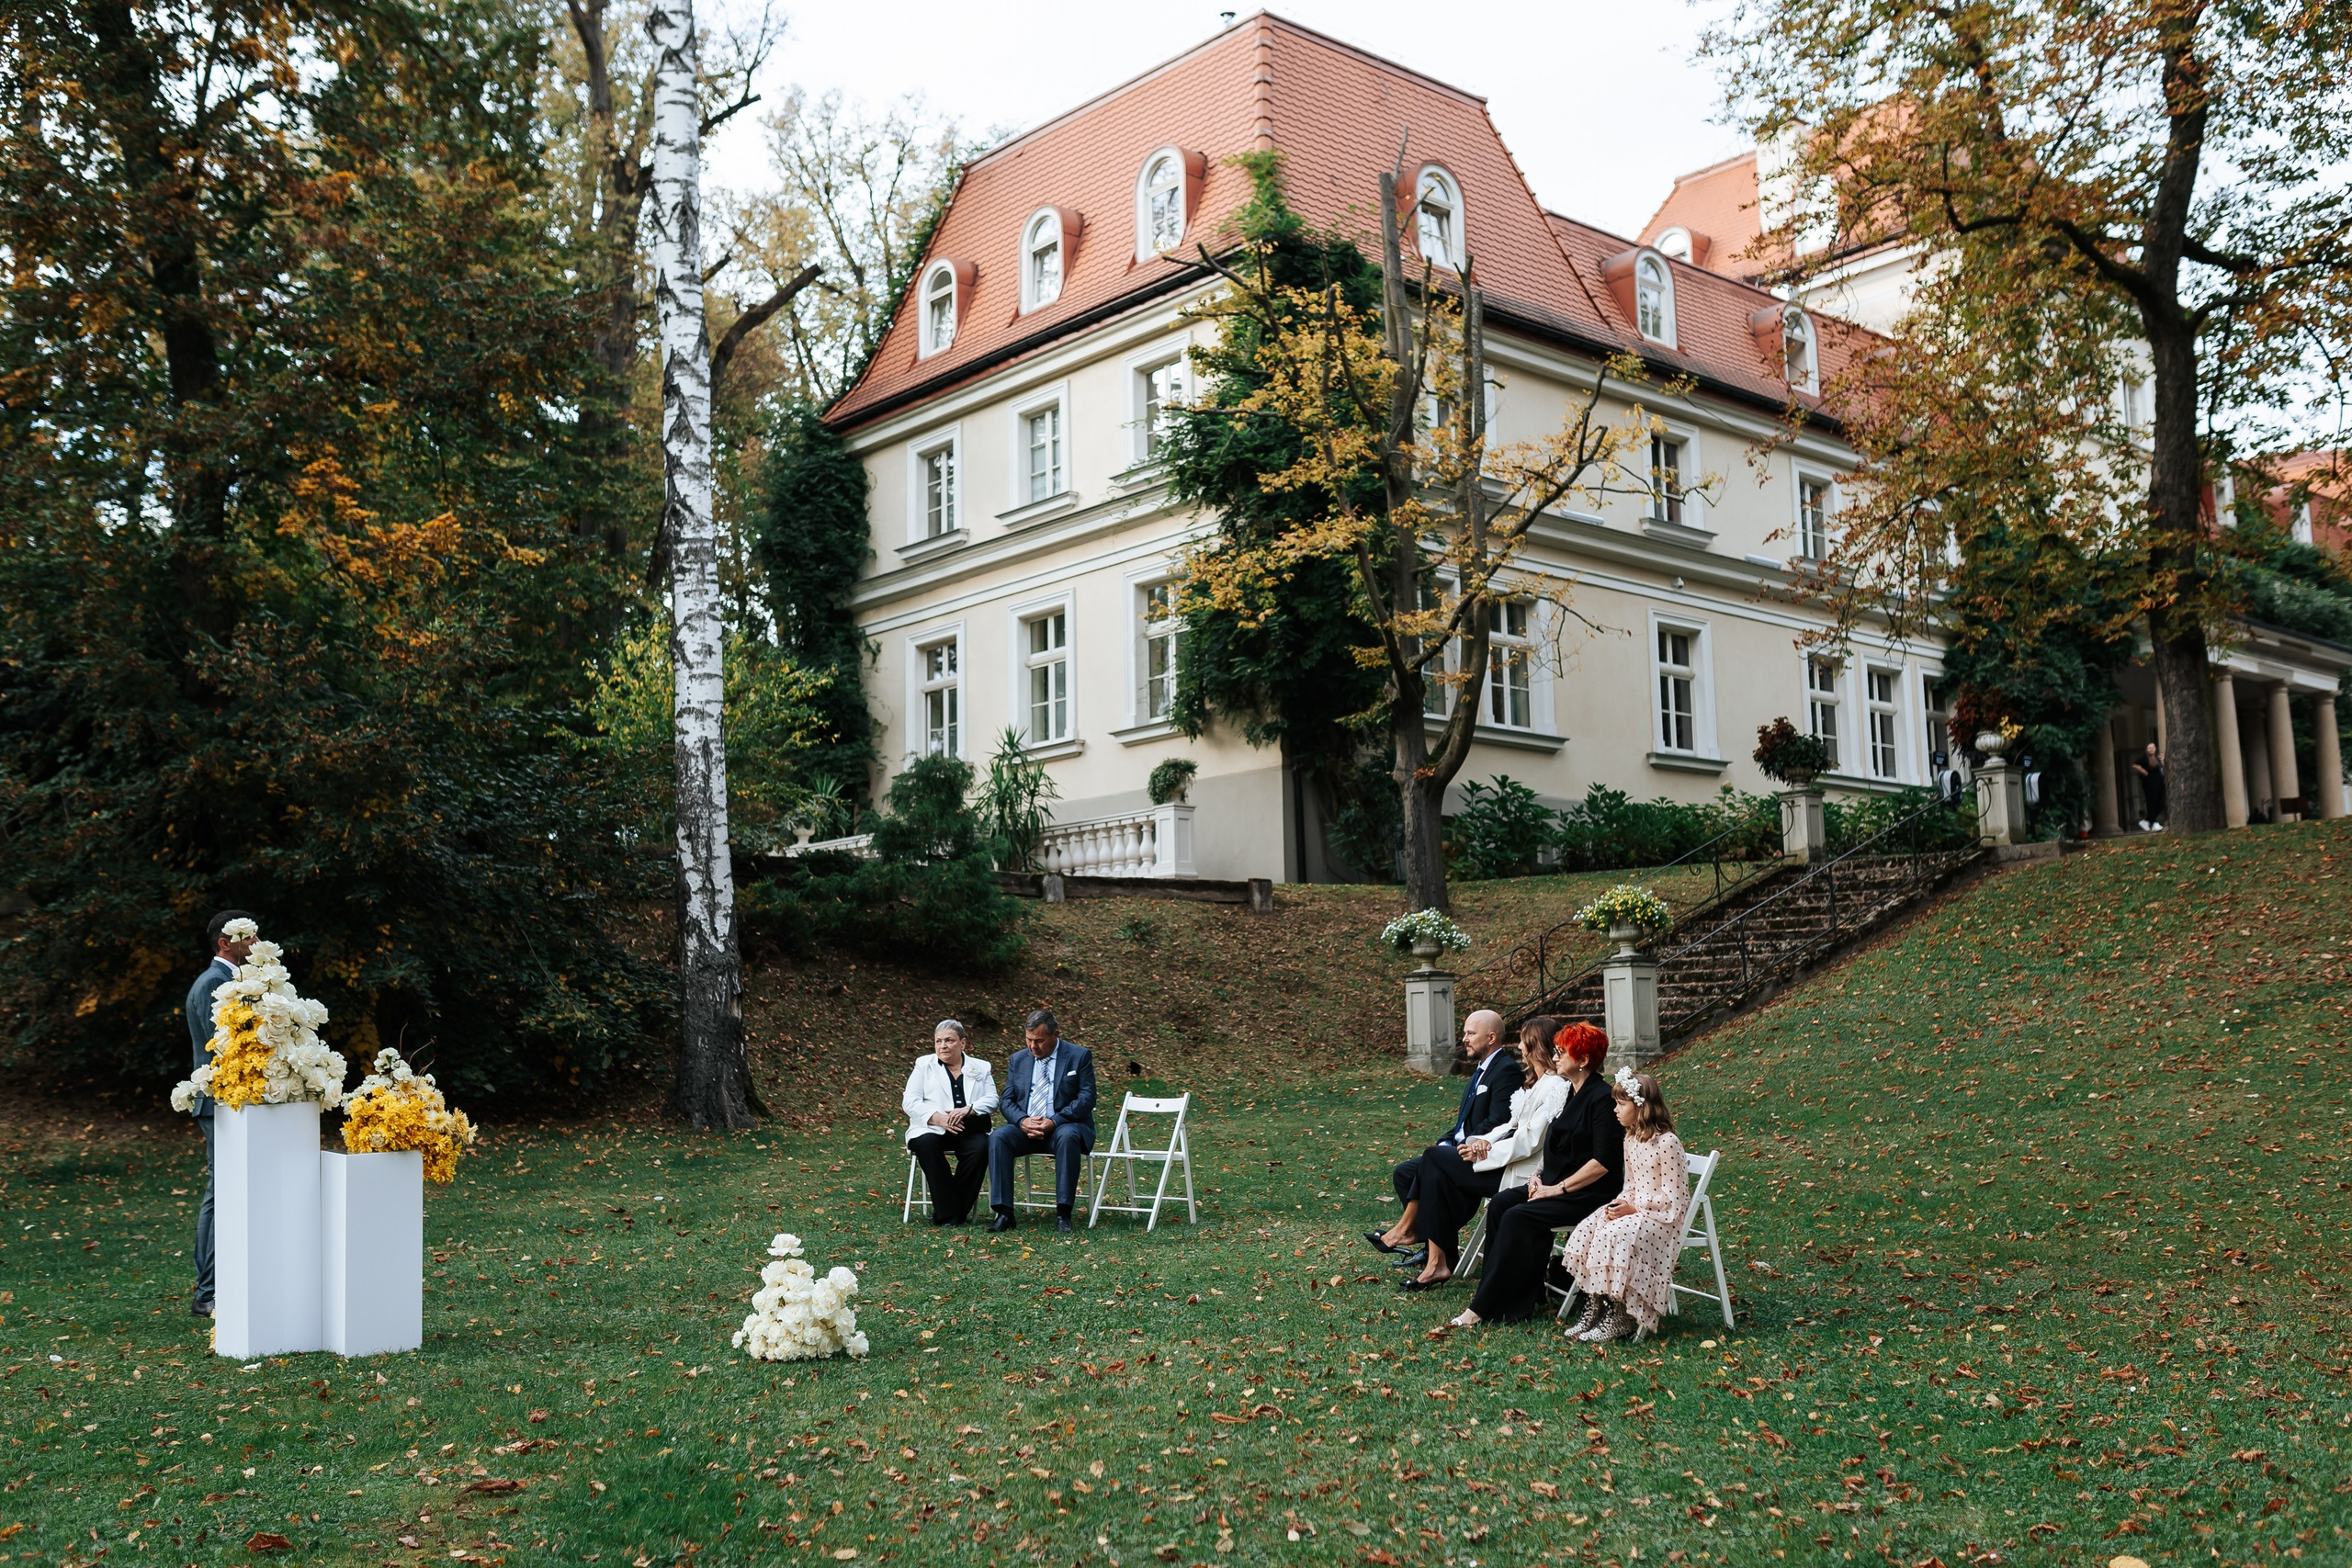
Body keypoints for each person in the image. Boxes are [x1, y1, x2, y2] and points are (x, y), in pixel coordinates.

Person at [1446, 1021, 1623, 1328]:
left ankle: (1484, 1307)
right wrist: (1538, 1176)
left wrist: (1556, 1190)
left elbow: (1603, 1163)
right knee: (1502, 1204)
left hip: (1589, 1193)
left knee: (1518, 1215)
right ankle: (1513, 1296)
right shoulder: (1569, 1094)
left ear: (1582, 1061)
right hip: (1554, 1184)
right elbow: (1552, 1147)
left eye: (1563, 1053)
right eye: (1555, 1052)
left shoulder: (1602, 1099)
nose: (1555, 1058)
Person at [1396, 1015, 1568, 1292]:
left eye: (1524, 1042)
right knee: (1435, 1170)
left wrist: (1485, 1155)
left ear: (1536, 1046)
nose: (1520, 1048)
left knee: (1433, 1159)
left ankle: (1422, 1243)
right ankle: (1435, 1258)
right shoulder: (1537, 1082)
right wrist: (1480, 1142)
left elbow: (1529, 1141)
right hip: (1502, 1161)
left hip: (1520, 1173)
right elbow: (1509, 1126)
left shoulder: (1556, 1086)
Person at [1363, 1009, 1519, 1279]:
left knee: (1432, 1163)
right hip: (1460, 1149)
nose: (1465, 1038)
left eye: (1471, 1033)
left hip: (1483, 1157)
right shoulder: (1481, 1071)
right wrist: (1447, 1140)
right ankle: (1431, 1245)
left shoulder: (1506, 1071)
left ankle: (1414, 1237)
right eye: (1465, 1033)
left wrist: (1457, 1146)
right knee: (1405, 1172)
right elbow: (1464, 1123)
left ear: (1491, 1037)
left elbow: (1499, 1122)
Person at [1557, 1069, 1690, 1343]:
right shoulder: (1630, 1140)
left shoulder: (1667, 1143)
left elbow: (1675, 1198)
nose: (1615, 1110)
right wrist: (1622, 1203)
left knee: (1612, 1233)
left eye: (1621, 1104)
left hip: (1662, 1219)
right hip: (1635, 1211)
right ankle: (1596, 1306)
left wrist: (1635, 1208)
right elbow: (1630, 1184)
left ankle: (1617, 1314)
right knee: (1591, 1226)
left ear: (1641, 1107)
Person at [185, 909, 255, 1319]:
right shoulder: (214, 983)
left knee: (224, 1190)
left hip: (231, 1103)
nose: (256, 941)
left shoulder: (233, 981)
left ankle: (218, 1286)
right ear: (224, 943)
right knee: (220, 1192)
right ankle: (207, 1292)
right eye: (246, 935)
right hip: (219, 1103)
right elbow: (226, 1050)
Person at [986, 1010, 1096, 1232]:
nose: (1033, 1046)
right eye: (1028, 1040)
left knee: (1068, 1136)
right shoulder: (1018, 1059)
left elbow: (1086, 1097)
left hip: (1063, 1126)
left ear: (1056, 1034)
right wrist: (1022, 1121)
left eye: (1039, 1041)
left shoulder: (1079, 1056)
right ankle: (1004, 1212)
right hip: (1026, 1127)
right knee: (998, 1137)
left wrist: (1054, 1122)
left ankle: (1063, 1214)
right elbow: (1007, 1100)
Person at [901, 1020, 1000, 1225]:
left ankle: (950, 1212)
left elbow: (992, 1099)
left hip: (969, 1128)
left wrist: (969, 1109)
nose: (943, 1046)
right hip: (932, 1128)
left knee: (982, 1147)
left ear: (963, 1043)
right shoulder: (924, 1065)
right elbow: (909, 1101)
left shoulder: (980, 1067)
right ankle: (951, 1213)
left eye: (949, 1040)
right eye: (938, 1041)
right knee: (927, 1145)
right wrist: (938, 1119)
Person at [2132, 742, 2167, 831]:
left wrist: (2163, 760)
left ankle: (2147, 821)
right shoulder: (2145, 759)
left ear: (2155, 748)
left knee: (2161, 804)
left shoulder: (2157, 759)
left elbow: (2163, 768)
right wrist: (2144, 772)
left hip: (2160, 784)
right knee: (2152, 803)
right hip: (2150, 785)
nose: (2151, 749)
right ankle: (2154, 822)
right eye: (2149, 747)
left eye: (2153, 747)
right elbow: (2135, 765)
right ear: (2147, 749)